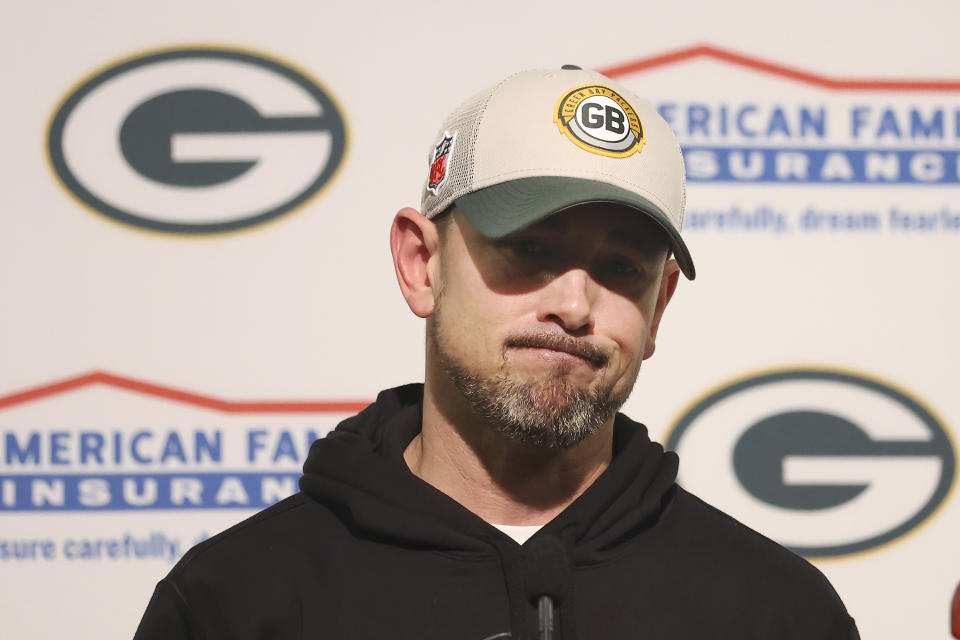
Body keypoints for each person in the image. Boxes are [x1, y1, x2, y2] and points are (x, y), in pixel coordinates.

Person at [134, 66, 859, 640]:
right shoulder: (235, 602)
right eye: (528, 251)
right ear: (421, 264)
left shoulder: (777, 613)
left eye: (621, 270)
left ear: (659, 305)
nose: (574, 307)